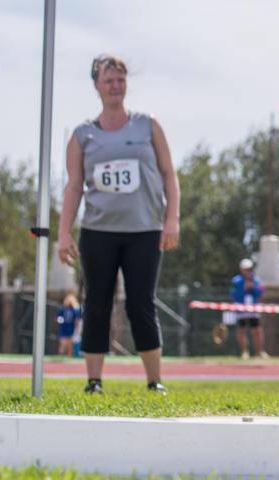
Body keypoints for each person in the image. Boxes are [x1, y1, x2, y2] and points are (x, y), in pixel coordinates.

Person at [57, 55, 181, 395]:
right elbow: (73, 186)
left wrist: (172, 219)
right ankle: (93, 381)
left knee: (141, 302)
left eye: (120, 80)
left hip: (145, 230)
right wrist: (63, 233)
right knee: (97, 302)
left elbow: (170, 174)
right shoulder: (82, 135)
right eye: (109, 80)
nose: (115, 86)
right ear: (96, 84)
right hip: (98, 232)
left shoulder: (148, 126)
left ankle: (155, 381)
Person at [230, 258, 269, 360]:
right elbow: (233, 295)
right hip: (241, 309)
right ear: (241, 269)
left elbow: (260, 294)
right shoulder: (236, 281)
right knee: (242, 330)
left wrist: (253, 288)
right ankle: (244, 352)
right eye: (245, 269)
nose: (247, 271)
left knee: (257, 330)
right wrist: (244, 288)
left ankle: (260, 352)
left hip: (253, 309)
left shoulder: (256, 280)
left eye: (249, 269)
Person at [56, 292, 82, 357]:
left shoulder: (75, 310)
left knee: (70, 344)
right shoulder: (63, 309)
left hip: (71, 328)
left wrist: (78, 329)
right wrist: (59, 320)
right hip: (64, 327)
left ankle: (69, 357)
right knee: (63, 343)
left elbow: (77, 320)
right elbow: (58, 317)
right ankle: (60, 356)